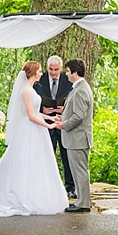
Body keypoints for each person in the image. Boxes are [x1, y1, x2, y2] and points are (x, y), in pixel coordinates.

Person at [0, 61, 69, 217]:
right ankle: (25, 195)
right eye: (39, 71)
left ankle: (37, 193)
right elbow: (31, 116)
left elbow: (36, 112)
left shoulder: (30, 90)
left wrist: (51, 118)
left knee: (38, 162)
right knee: (27, 161)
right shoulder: (26, 91)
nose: (41, 73)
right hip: (30, 130)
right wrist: (48, 126)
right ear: (32, 73)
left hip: (36, 129)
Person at [33, 55, 75, 199]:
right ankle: (45, 187)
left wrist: (65, 108)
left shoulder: (68, 80)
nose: (53, 72)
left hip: (63, 123)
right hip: (46, 124)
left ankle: (70, 187)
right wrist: (42, 109)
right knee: (46, 156)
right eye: (50, 69)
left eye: (56, 70)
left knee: (67, 157)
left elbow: (74, 99)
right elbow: (31, 101)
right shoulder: (39, 80)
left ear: (61, 69)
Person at [56, 59, 94, 213]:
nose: (66, 74)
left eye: (67, 71)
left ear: (74, 72)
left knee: (80, 171)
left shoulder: (81, 90)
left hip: (78, 138)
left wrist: (63, 125)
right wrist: (63, 117)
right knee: (77, 171)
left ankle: (84, 203)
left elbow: (79, 116)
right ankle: (80, 200)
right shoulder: (79, 88)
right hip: (75, 138)